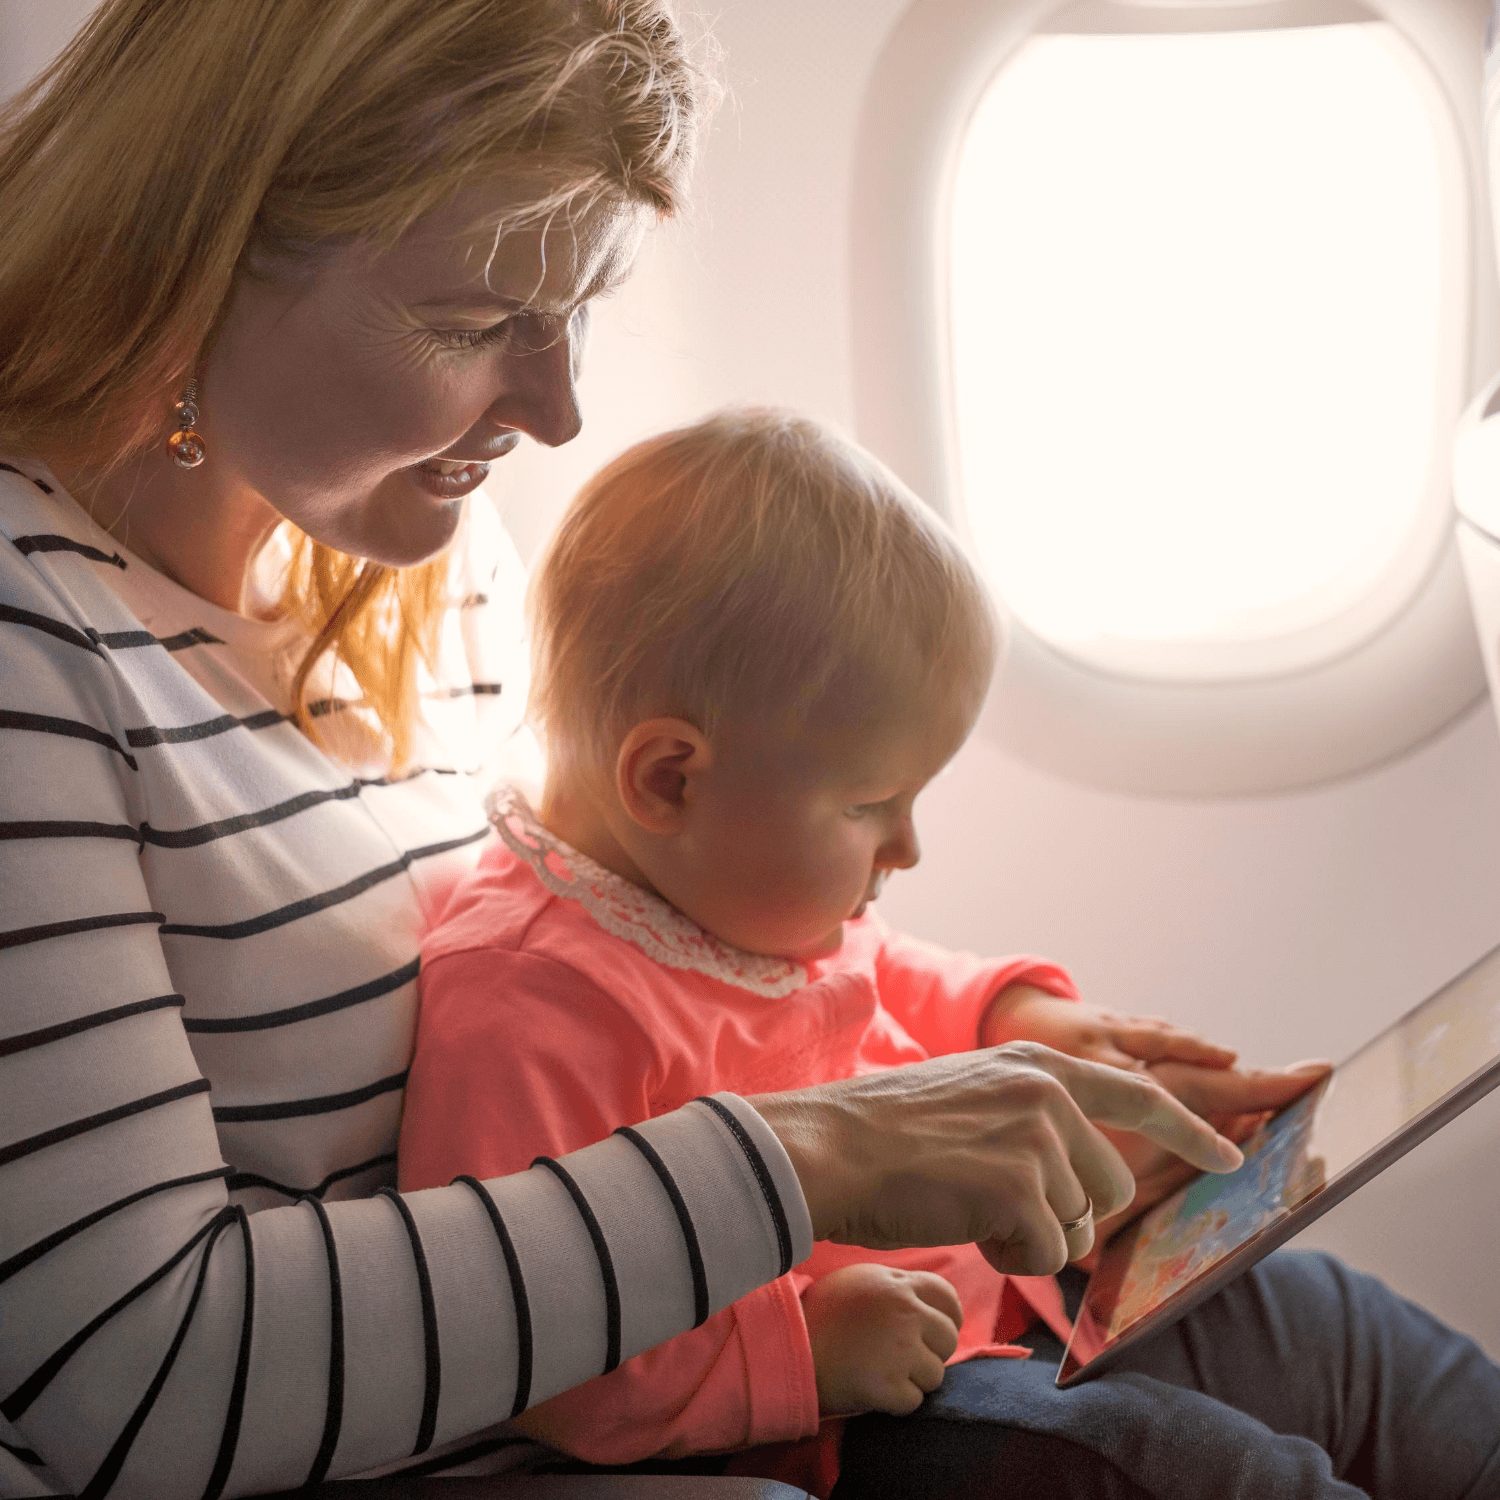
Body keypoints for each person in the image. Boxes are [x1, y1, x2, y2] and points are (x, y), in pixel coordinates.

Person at [0, 4, 1266, 1497]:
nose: (558, 410)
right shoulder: (35, 640)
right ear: (195, 250)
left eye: (579, 304)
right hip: (494, 1439)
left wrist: (997, 1039)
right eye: (475, 327)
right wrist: (811, 1160)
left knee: (1289, 1318)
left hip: (680, 1342)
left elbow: (646, 936)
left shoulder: (416, 549)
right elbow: (139, 1380)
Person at [397, 410, 1500, 1500]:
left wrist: (1012, 1018)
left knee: (1331, 1323)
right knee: (1176, 1468)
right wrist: (798, 1349)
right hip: (856, 1419)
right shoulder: (530, 999)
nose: (910, 847)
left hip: (1014, 1308)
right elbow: (533, 1335)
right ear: (670, 780)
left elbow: (883, 973)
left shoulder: (727, 892)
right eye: (875, 804)